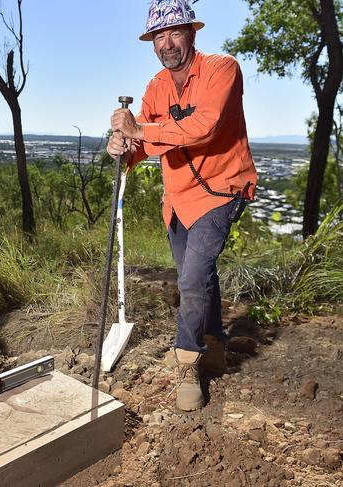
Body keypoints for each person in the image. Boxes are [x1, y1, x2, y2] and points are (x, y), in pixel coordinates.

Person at [107, 0, 257, 411]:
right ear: (152, 43)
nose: (167, 43)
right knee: (199, 274)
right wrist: (124, 147)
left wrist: (140, 129)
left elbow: (204, 127)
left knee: (191, 279)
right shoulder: (156, 86)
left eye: (175, 33)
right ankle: (215, 344)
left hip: (222, 189)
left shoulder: (222, 69)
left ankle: (186, 361)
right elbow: (144, 143)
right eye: (159, 36)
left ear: (192, 33)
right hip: (177, 199)